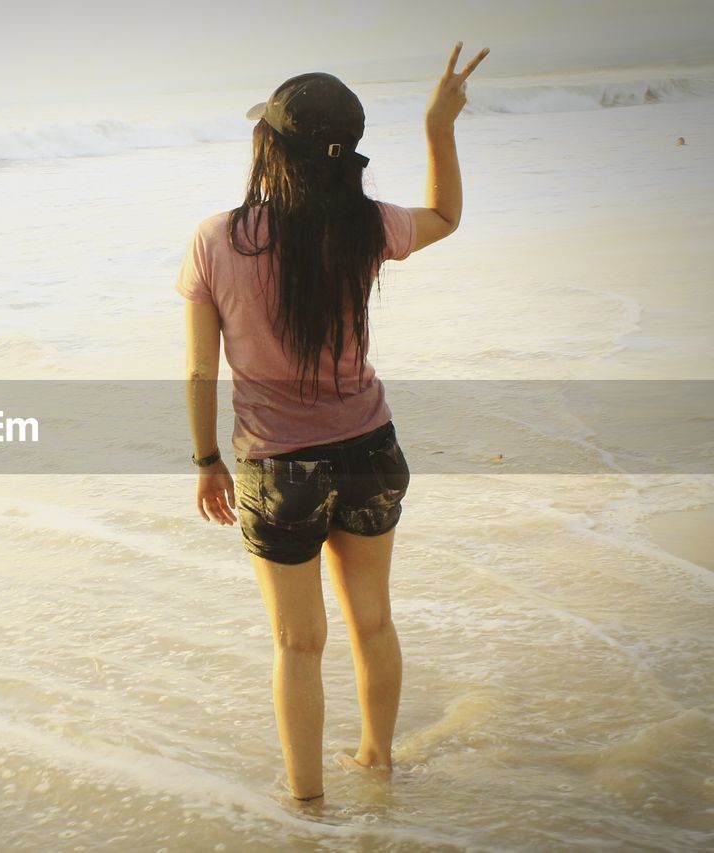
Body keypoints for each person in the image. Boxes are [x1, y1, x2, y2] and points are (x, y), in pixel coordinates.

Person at [175, 42, 490, 805]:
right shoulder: (365, 227)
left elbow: (198, 370)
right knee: (372, 620)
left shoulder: (219, 239)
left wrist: (206, 459)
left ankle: (306, 803)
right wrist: (438, 127)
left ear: (269, 147)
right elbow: (445, 214)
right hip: (369, 450)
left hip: (278, 466)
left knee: (297, 641)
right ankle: (376, 763)